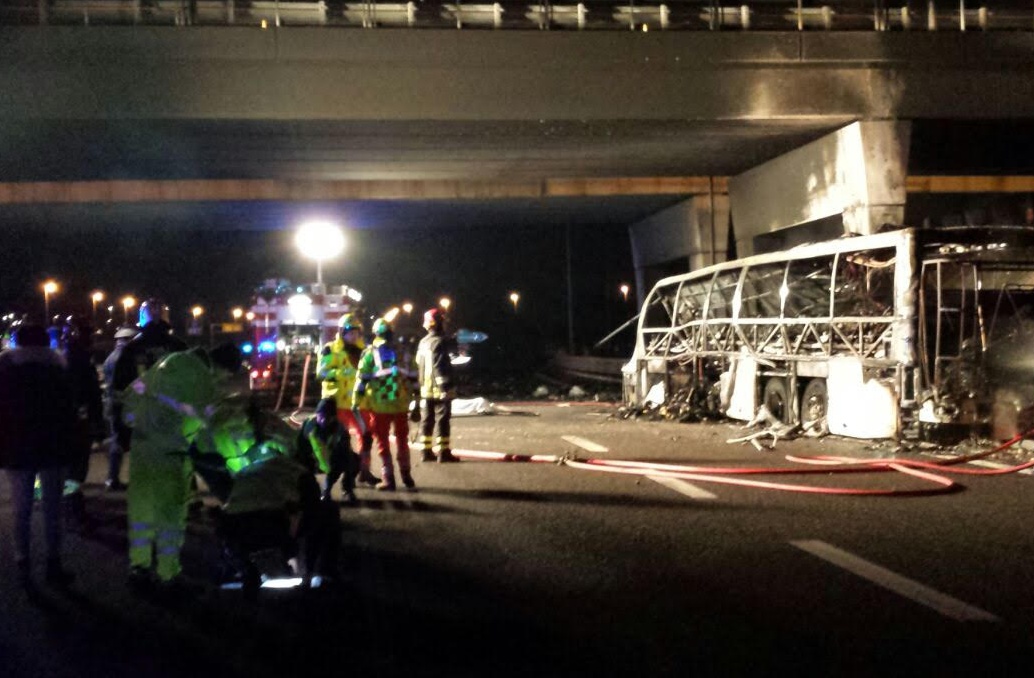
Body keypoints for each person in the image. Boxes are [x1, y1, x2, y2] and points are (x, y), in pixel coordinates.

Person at [123, 348, 217, 593]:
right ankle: (168, 575)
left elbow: (129, 402)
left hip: (142, 451)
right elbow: (208, 425)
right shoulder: (201, 376)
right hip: (171, 455)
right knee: (170, 518)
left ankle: (139, 567)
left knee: (141, 513)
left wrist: (138, 423)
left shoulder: (156, 372)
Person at [0, 324, 77, 587]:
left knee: (21, 509)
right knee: (52, 508)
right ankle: (53, 563)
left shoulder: (6, 370)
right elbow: (69, 411)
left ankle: (23, 562)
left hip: (17, 448)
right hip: (53, 447)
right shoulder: (58, 370)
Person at [106, 298, 188, 491]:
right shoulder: (178, 346)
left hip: (142, 416)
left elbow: (119, 387)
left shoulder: (131, 349)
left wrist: (119, 421)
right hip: (173, 413)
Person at [354, 318, 416, 491]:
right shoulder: (404, 352)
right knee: (402, 440)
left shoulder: (370, 353)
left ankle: (388, 478)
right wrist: (417, 403)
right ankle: (407, 476)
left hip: (380, 404)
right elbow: (414, 377)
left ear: (376, 333)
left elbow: (362, 379)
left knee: (382, 442)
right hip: (401, 404)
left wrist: (356, 402)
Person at [317, 312, 377, 487]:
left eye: (356, 332)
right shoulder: (330, 349)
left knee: (366, 437)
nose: (354, 335)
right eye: (350, 332)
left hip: (359, 403)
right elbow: (321, 373)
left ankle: (364, 471)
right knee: (340, 442)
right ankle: (342, 474)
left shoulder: (365, 351)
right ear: (342, 332)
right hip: (338, 403)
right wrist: (342, 373)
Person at [61, 316, 105, 528]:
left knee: (72, 469)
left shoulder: (67, 359)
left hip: (71, 422)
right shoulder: (78, 362)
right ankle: (73, 509)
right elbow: (89, 396)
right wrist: (96, 422)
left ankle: (68, 504)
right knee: (75, 470)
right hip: (77, 423)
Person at [416, 308, 459, 463]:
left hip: (425, 389)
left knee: (427, 420)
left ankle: (425, 451)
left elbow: (418, 364)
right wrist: (445, 388)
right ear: (439, 323)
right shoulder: (441, 341)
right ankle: (443, 452)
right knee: (443, 420)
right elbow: (439, 366)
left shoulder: (423, 342)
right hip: (439, 390)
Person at [297, 398, 359, 503]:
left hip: (331, 461)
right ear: (317, 414)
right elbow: (300, 446)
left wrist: (327, 486)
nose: (323, 420)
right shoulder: (308, 425)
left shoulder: (340, 430)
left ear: (333, 418)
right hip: (313, 460)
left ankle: (346, 488)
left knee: (354, 460)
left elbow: (344, 453)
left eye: (327, 417)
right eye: (321, 416)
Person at [102, 325, 139, 490]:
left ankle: (113, 477)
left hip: (113, 403)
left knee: (117, 439)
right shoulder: (125, 358)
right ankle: (112, 478)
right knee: (121, 442)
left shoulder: (111, 357)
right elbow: (132, 382)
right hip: (124, 404)